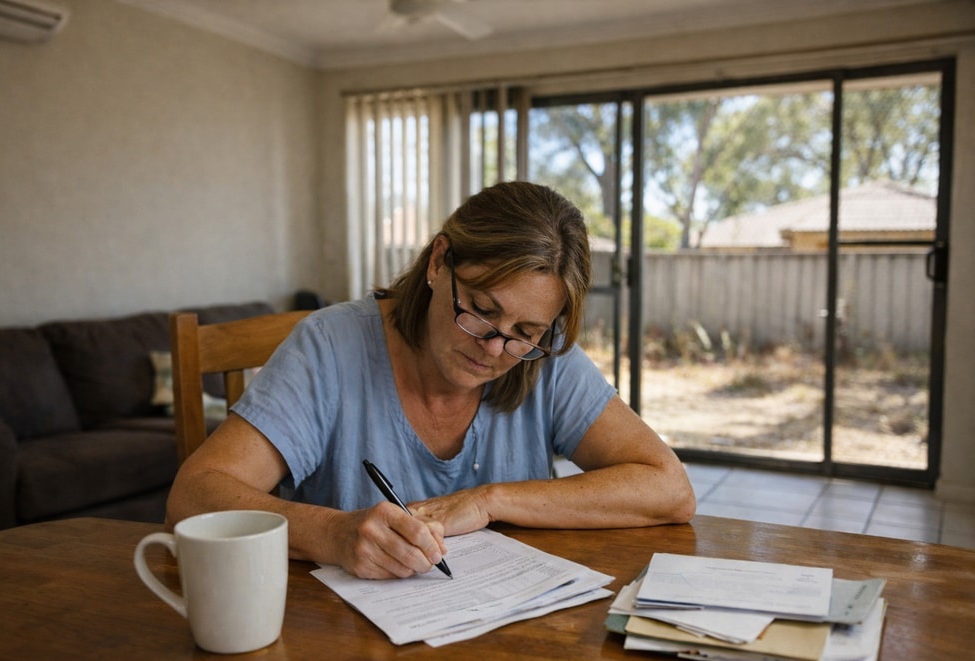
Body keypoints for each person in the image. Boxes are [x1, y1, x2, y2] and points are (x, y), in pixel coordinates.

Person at [166, 181, 696, 579]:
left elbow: (668, 488)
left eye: (525, 331)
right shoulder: (329, 347)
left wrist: (490, 500)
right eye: (483, 310)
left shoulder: (542, 358)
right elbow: (192, 496)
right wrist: (331, 532)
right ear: (440, 262)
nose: (496, 348)